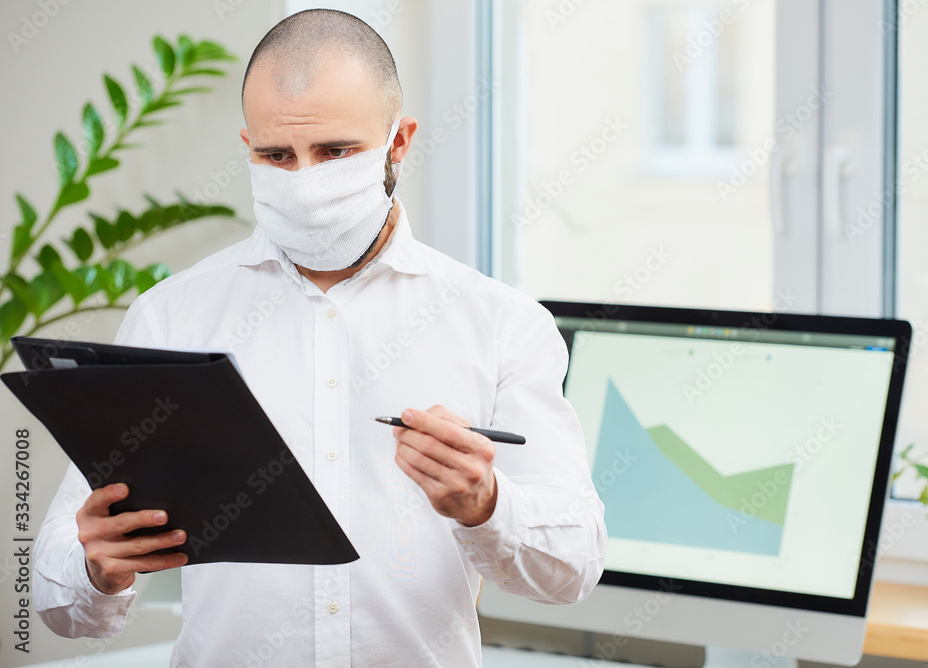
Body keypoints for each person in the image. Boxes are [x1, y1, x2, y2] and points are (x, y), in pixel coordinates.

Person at [33, 9, 606, 666]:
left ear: (400, 141)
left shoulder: (499, 322)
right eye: (276, 155)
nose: (304, 181)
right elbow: (60, 607)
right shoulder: (171, 316)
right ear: (247, 145)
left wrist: (487, 504)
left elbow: (575, 568)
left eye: (335, 152)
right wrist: (98, 568)